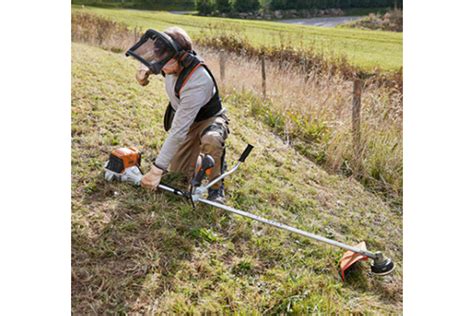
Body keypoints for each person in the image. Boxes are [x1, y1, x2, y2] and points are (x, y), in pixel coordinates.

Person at [129, 27, 229, 203]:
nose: (161, 66)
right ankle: (203, 159)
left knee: (211, 139)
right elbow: (157, 62)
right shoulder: (168, 62)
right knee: (178, 174)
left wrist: (155, 171)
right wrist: (144, 71)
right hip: (188, 122)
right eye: (159, 60)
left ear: (182, 58)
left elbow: (177, 132)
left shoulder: (198, 81)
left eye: (165, 62)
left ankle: (216, 186)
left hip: (208, 120)